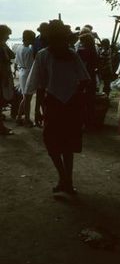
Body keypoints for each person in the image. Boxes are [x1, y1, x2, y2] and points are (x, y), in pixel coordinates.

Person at [24, 20, 90, 194]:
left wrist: (37, 107)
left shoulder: (52, 55)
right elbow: (84, 80)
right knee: (60, 144)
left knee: (58, 144)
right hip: (62, 103)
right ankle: (66, 179)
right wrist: (75, 96)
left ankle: (65, 179)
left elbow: (37, 85)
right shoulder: (55, 55)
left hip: (58, 103)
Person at [77, 32, 99, 130]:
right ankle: (90, 123)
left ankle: (82, 122)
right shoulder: (94, 51)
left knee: (81, 101)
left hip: (83, 78)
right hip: (91, 76)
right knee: (90, 101)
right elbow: (96, 65)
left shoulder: (81, 52)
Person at [15, 29, 36, 126]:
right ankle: (27, 119)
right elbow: (31, 65)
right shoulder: (28, 50)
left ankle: (19, 117)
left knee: (25, 97)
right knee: (28, 98)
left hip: (21, 72)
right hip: (27, 73)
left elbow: (16, 61)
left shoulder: (19, 47)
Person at [33, 22, 49, 126]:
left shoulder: (37, 39)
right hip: (42, 70)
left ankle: (42, 115)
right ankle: (39, 116)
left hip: (42, 70)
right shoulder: (43, 40)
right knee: (40, 96)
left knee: (41, 96)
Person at [0, 25, 15, 135]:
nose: (8, 37)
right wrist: (5, 78)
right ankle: (1, 127)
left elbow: (12, 55)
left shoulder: (2, 46)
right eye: (7, 35)